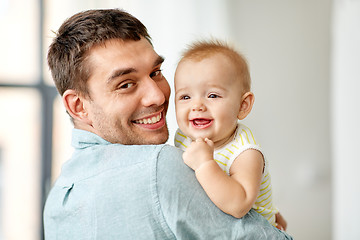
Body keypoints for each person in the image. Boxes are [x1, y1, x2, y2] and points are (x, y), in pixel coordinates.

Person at [43, 9, 293, 239]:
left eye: (155, 73)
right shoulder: (161, 166)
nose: (159, 96)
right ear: (78, 106)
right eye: (126, 84)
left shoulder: (58, 200)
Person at [174, 40, 287, 230]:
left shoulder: (245, 152)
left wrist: (204, 164)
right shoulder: (182, 137)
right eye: (186, 97)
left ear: (243, 106)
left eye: (213, 96)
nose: (197, 106)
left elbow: (239, 205)